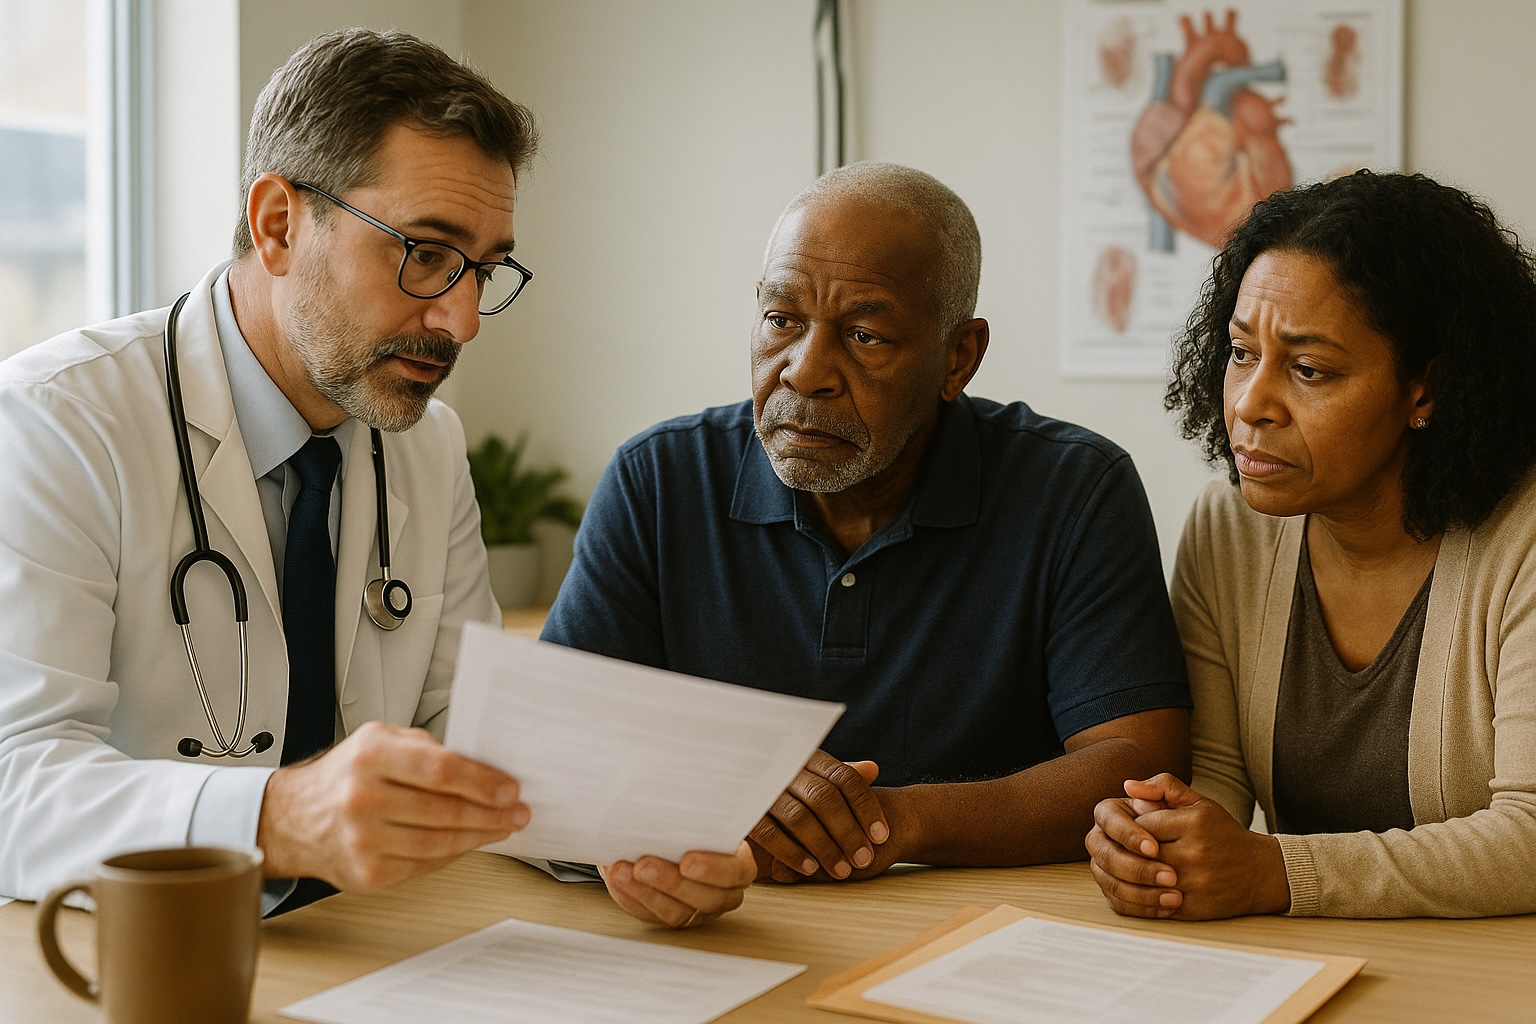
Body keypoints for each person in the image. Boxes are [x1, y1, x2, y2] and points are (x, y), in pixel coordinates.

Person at [0, 28, 750, 928]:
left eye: (484, 268)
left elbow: (464, 741)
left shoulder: (426, 447)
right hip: (141, 961)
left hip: (359, 943)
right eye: (425, 252)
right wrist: (274, 818)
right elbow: (15, 782)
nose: (462, 320)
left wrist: (636, 834)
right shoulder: (56, 422)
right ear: (279, 223)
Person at [543, 162, 1192, 884]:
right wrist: (702, 811)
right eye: (782, 321)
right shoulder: (657, 480)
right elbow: (547, 752)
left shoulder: (1074, 489)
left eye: (864, 335)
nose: (805, 371)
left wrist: (887, 820)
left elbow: (1138, 767)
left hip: (976, 935)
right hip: (722, 924)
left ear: (959, 358)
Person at [1086, 170, 1536, 919]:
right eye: (1239, 353)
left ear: (1427, 389)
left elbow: (1529, 835)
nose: (1251, 405)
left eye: (1308, 369)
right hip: (1305, 965)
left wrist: (1277, 873)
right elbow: (1217, 777)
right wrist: (1155, 837)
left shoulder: (1521, 543)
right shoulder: (1230, 530)